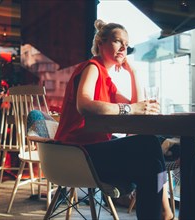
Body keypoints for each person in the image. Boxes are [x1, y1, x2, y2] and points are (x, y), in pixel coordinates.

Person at [54, 19, 174, 220]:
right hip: (76, 154)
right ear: (101, 43)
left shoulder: (107, 80)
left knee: (151, 165)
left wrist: (133, 72)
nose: (123, 48)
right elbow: (84, 104)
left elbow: (138, 108)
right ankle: (166, 212)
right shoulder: (92, 67)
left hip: (90, 152)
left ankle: (162, 212)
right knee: (151, 146)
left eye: (126, 45)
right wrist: (132, 108)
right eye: (118, 41)